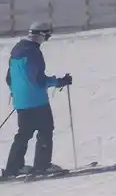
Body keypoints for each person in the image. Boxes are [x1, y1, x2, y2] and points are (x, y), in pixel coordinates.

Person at [2, 22, 71, 180]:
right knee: (45, 130)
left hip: (21, 102)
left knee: (23, 134)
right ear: (41, 35)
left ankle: (14, 167)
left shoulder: (17, 50)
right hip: (36, 101)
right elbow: (39, 80)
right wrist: (59, 81)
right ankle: (42, 165)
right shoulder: (34, 53)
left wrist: (17, 93)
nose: (46, 39)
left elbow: (9, 78)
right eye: (47, 36)